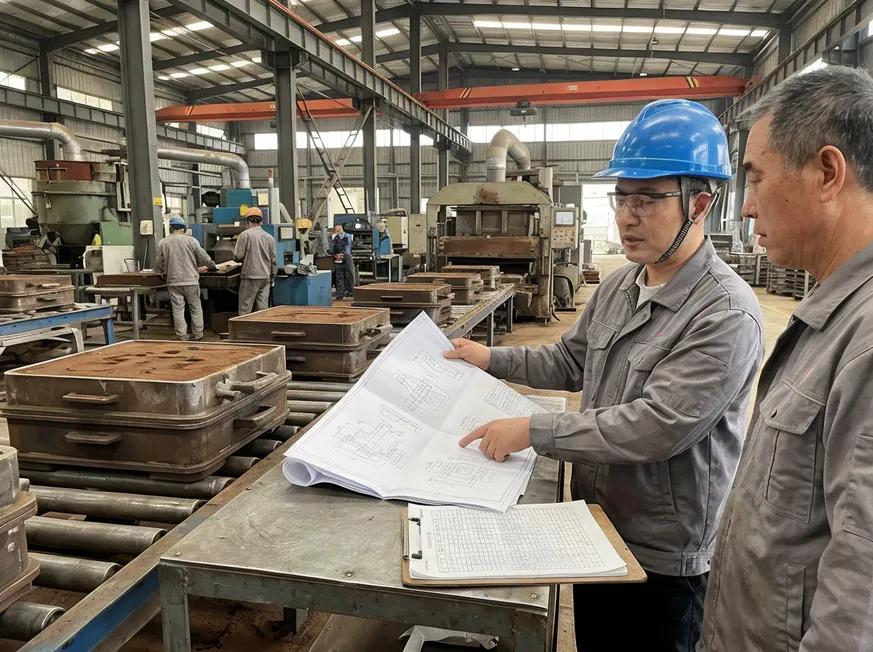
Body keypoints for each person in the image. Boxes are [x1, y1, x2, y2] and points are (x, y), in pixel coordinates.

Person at [444, 99, 764, 652]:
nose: (626, 215)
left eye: (647, 199)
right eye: (621, 197)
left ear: (700, 203)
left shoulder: (725, 314)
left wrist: (534, 431)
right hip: (598, 525)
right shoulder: (621, 284)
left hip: (663, 558)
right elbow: (571, 361)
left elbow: (657, 426)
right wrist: (489, 358)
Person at [698, 66, 873, 652]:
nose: (746, 208)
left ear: (828, 173)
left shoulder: (866, 341)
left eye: (756, 179)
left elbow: (859, 601)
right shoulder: (831, 316)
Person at [155, 216, 216, 341]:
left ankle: (182, 335)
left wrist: (163, 273)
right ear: (183, 229)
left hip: (173, 281)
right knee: (195, 308)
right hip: (190, 280)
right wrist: (212, 266)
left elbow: (160, 263)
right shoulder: (191, 241)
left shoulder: (163, 242)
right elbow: (203, 256)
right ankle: (198, 334)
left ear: (171, 228)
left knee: (178, 309)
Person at [233, 207, 277, 315]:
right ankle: (262, 330)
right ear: (261, 221)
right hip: (265, 277)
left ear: (248, 221)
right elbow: (274, 261)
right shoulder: (269, 237)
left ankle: (243, 331)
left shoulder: (245, 235)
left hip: (250, 276)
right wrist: (272, 278)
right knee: (263, 309)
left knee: (245, 308)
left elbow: (237, 256)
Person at [331, 223, 355, 299]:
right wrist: (335, 255)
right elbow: (332, 247)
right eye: (336, 230)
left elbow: (348, 246)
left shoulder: (347, 236)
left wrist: (343, 254)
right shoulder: (334, 238)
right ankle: (340, 293)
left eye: (338, 230)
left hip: (346, 257)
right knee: (339, 276)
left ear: (341, 229)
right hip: (337, 258)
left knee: (349, 275)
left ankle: (351, 291)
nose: (337, 232)